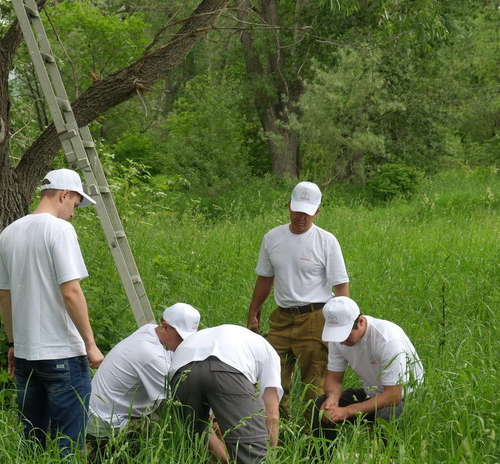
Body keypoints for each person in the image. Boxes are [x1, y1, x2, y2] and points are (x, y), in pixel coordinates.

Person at [0, 168, 104, 457]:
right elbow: (71, 291)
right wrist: (90, 345)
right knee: (69, 444)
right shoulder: (60, 230)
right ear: (64, 194)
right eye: (75, 205)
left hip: (26, 357)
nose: (73, 213)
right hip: (63, 355)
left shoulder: (9, 232)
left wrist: (13, 343)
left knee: (32, 442)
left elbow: (3, 296)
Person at [247, 181, 349, 415]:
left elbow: (341, 286)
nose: (301, 217)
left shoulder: (326, 241)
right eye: (297, 210)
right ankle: (277, 433)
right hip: (282, 318)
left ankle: (311, 438)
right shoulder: (272, 237)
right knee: (272, 379)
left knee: (314, 385)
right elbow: (265, 278)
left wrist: (342, 326)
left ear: (317, 212)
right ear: (289, 207)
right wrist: (253, 311)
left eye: (307, 212)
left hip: (315, 318)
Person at [311, 296, 424, 454]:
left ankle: (389, 457)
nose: (341, 341)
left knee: (387, 416)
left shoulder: (387, 339)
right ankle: (323, 457)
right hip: (373, 393)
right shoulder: (337, 340)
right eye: (337, 335)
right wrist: (332, 398)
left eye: (345, 335)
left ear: (361, 322)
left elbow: (394, 396)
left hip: (405, 398)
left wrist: (348, 411)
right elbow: (334, 380)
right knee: (321, 405)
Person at [86, 303, 200, 456]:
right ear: (165, 327)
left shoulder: (150, 331)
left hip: (104, 412)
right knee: (180, 410)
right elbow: (184, 397)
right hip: (107, 425)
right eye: (181, 337)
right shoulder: (150, 354)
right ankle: (99, 452)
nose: (184, 343)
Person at [169, 324, 283, 464]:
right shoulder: (269, 353)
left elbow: (206, 428)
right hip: (227, 370)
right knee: (252, 454)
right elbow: (272, 416)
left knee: (198, 440)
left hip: (181, 371)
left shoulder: (210, 336)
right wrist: (270, 456)